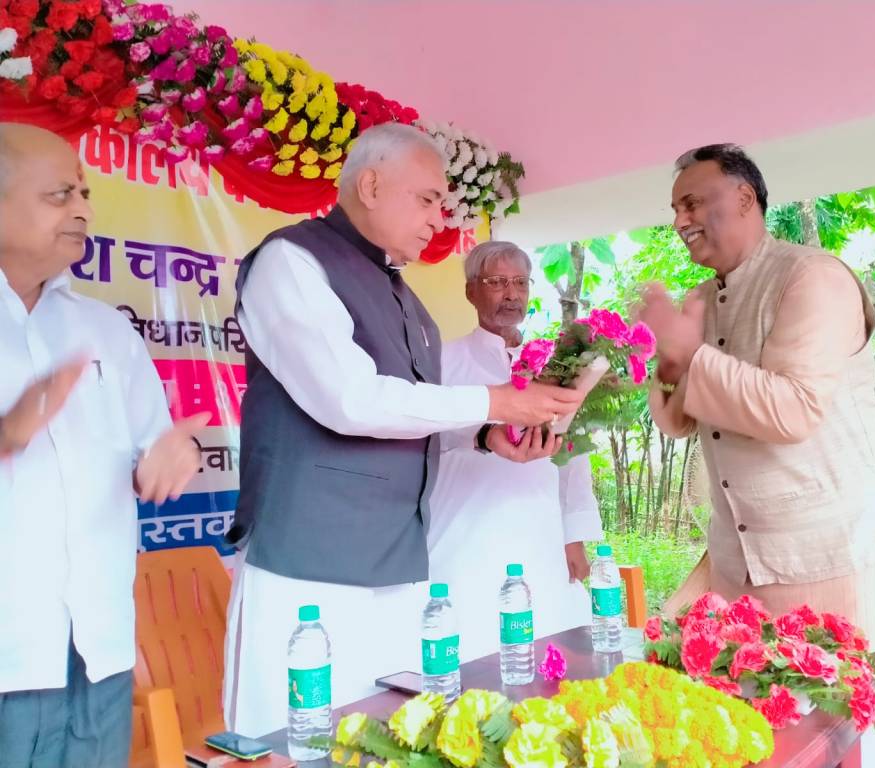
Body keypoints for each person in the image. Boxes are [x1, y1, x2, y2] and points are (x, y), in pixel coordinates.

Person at [223, 123, 584, 736]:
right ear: (370, 186)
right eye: (427, 199)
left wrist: (481, 436)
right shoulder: (292, 262)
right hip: (308, 567)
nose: (438, 219)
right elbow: (349, 399)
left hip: (400, 566)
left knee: (388, 740)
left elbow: (410, 420)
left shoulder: (407, 301)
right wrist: (494, 402)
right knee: (290, 741)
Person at [637, 143, 875, 764]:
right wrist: (670, 360)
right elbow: (677, 421)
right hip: (740, 558)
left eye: (693, 202)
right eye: (676, 208)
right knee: (754, 735)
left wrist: (690, 355)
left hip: (832, 548)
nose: (681, 219)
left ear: (745, 197)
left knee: (840, 733)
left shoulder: (811, 277)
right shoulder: (702, 298)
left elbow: (793, 409)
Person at [0, 123, 206, 768]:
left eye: (84, 193)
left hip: (96, 649)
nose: (83, 210)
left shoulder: (106, 329)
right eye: (59, 195)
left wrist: (163, 463)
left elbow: (148, 451)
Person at [428, 241, 604, 661]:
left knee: (550, 653)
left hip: (540, 531)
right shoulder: (441, 361)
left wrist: (574, 537)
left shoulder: (556, 365)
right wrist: (481, 434)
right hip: (464, 531)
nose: (511, 294)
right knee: (469, 651)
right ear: (471, 291)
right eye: (497, 282)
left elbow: (573, 453)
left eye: (520, 283)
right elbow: (421, 436)